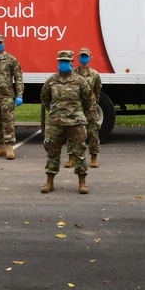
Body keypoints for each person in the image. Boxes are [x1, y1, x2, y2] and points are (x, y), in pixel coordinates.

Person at [40, 50, 94, 194]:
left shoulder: (80, 81)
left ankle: (82, 183)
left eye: (66, 61)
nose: (63, 63)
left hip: (75, 122)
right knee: (52, 152)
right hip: (55, 122)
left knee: (79, 152)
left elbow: (89, 100)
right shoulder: (51, 81)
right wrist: (54, 111)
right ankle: (49, 182)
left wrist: (80, 113)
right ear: (58, 62)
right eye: (61, 61)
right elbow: (44, 98)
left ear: (71, 63)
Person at [65, 47, 102, 168]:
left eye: (86, 56)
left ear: (90, 58)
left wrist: (93, 102)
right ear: (78, 58)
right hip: (76, 107)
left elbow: (98, 90)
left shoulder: (95, 74)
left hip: (90, 108)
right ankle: (72, 158)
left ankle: (94, 157)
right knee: (73, 133)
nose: (84, 58)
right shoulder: (72, 73)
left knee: (93, 132)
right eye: (82, 56)